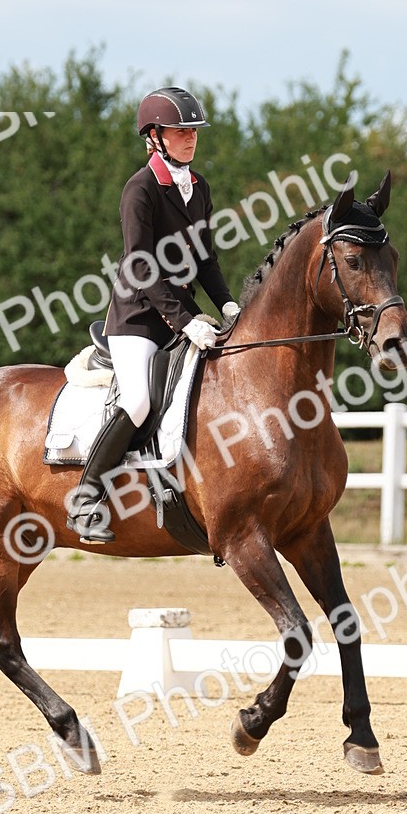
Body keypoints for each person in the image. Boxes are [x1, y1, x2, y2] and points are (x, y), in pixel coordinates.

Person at [66, 85, 240, 543]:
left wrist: (226, 305)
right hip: (138, 318)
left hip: (183, 312)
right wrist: (185, 322)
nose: (190, 138)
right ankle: (86, 498)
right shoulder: (139, 189)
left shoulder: (198, 188)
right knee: (139, 399)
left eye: (193, 131)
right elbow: (139, 266)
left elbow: (205, 258)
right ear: (154, 137)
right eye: (180, 131)